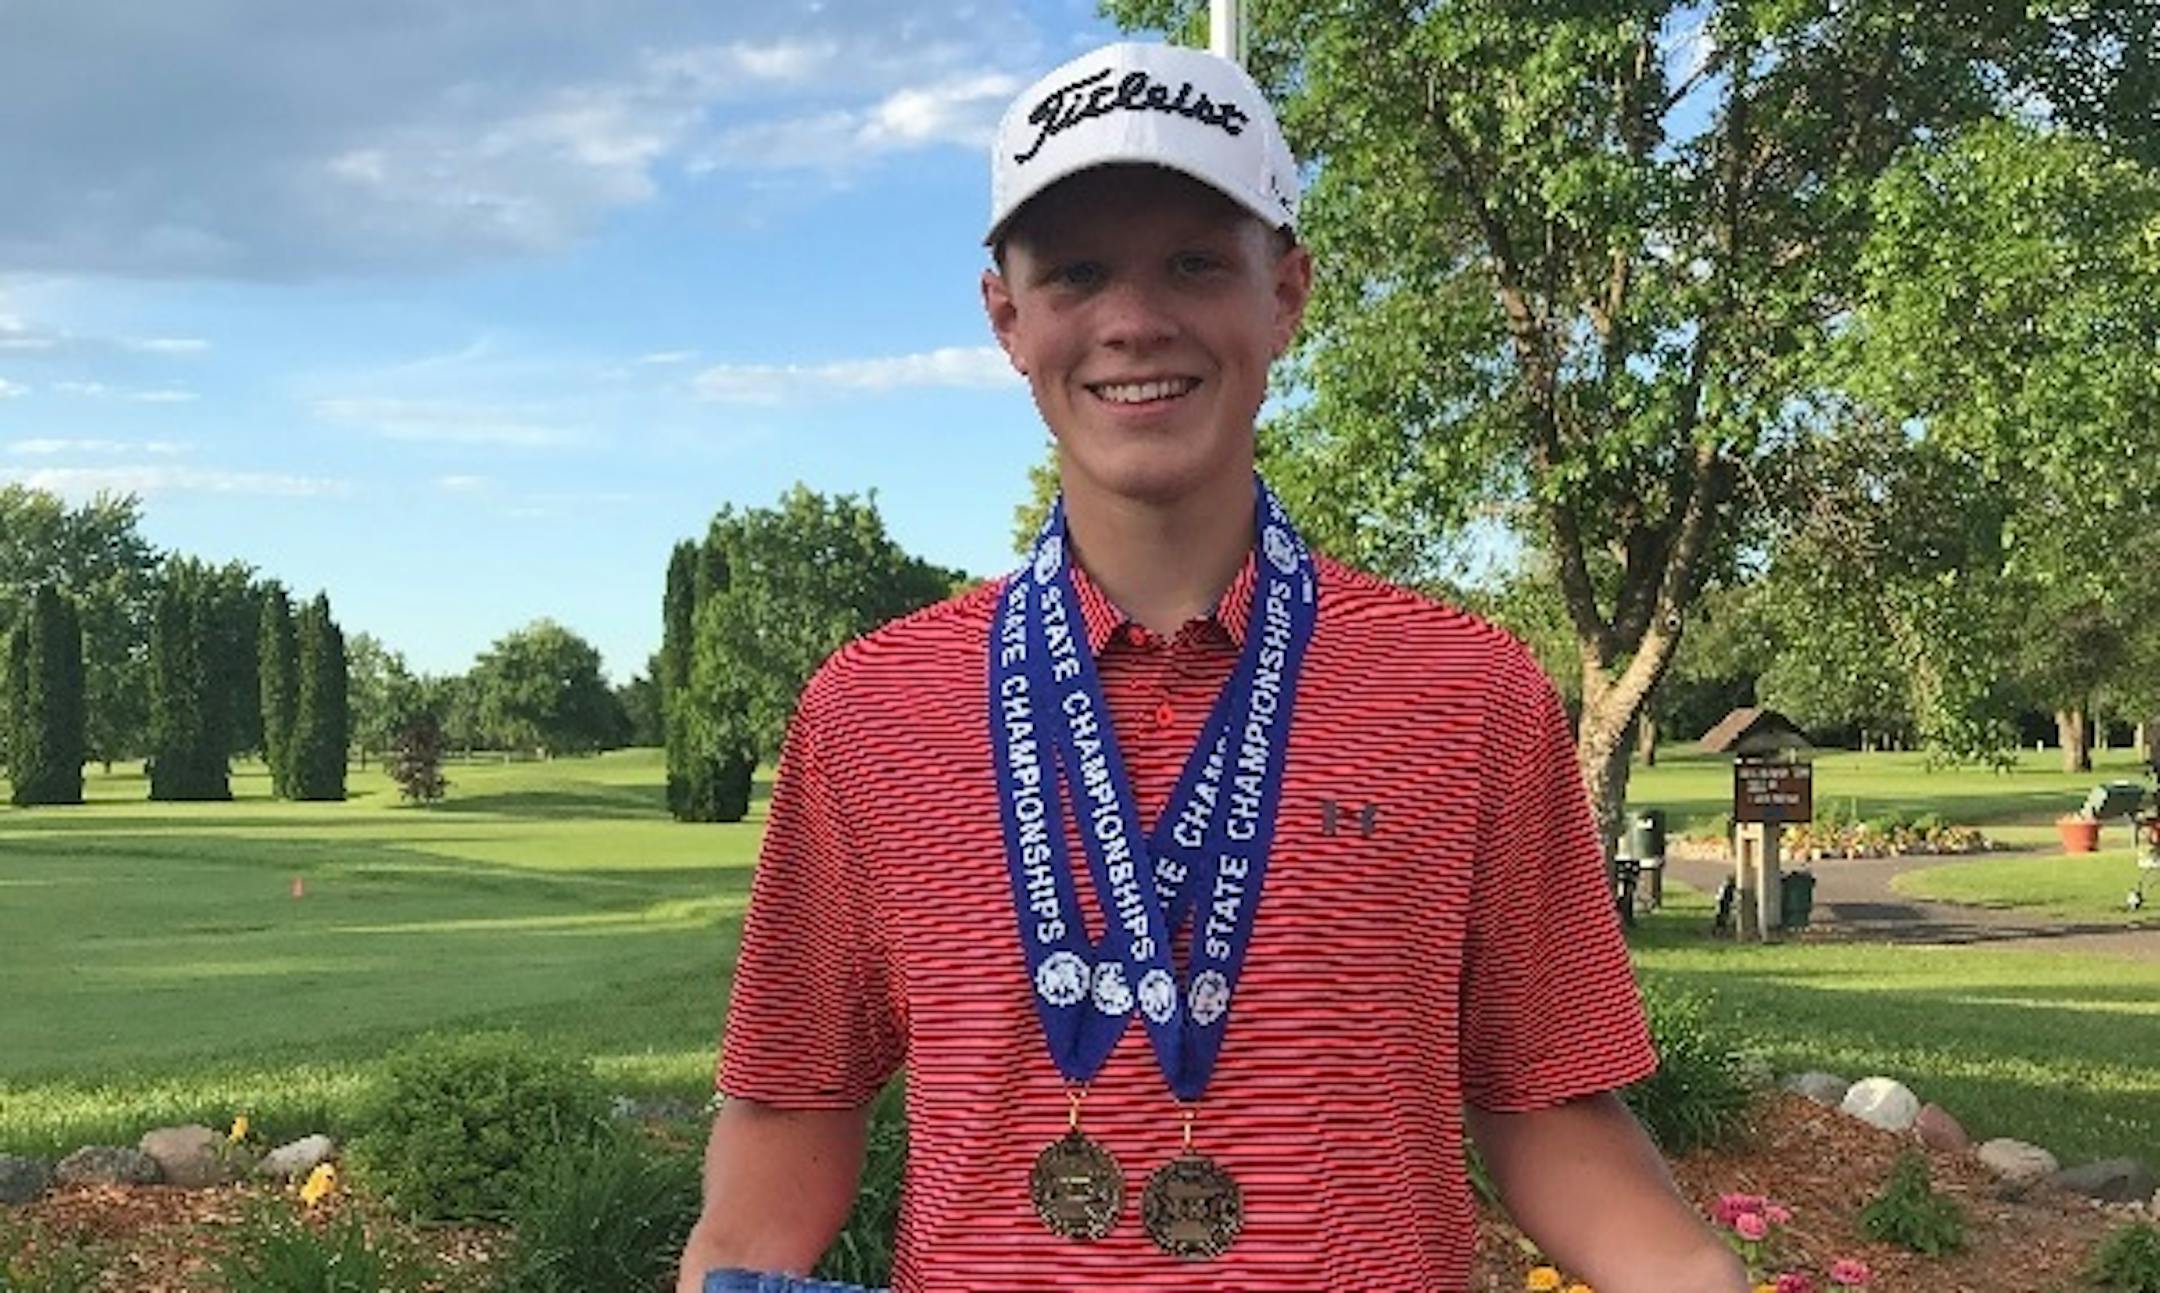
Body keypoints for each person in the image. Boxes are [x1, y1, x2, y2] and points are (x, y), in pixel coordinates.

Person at [677, 39, 1747, 1293]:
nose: (1135, 320)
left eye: (1195, 261)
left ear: (1284, 294)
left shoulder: (1467, 694)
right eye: (1077, 272)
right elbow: (781, 1139)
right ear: (1006, 318)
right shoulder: (872, 711)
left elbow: (1546, 1106)